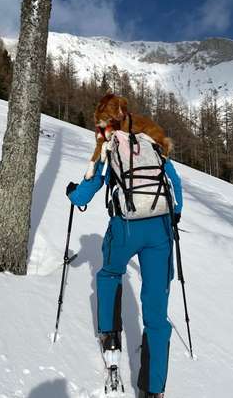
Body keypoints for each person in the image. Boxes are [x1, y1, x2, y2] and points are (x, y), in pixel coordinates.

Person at [66, 148, 183, 398]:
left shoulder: (110, 147)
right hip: (160, 230)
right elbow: (175, 184)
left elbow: (85, 192)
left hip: (125, 228)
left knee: (109, 274)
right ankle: (153, 389)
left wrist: (73, 194)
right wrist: (175, 215)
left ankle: (110, 338)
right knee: (156, 308)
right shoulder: (153, 145)